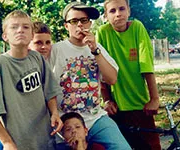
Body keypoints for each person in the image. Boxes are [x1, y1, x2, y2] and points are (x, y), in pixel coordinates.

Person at [49, 2, 131, 150]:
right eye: (74, 21)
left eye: (84, 20)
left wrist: (94, 49)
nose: (80, 25)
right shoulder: (56, 49)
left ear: (90, 23)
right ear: (66, 26)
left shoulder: (97, 48)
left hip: (95, 118)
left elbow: (112, 79)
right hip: (66, 121)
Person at [0, 10, 63, 150]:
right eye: (14, 27)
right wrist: (7, 142)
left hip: (44, 140)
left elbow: (50, 91)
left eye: (26, 27)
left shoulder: (37, 59)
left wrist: (54, 113)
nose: (20, 30)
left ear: (31, 34)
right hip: (16, 142)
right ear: (5, 36)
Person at [96, 0, 161, 149]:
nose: (118, 14)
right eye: (112, 11)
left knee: (151, 146)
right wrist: (106, 100)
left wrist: (154, 98)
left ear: (129, 11)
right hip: (117, 107)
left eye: (122, 9)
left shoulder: (137, 28)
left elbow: (147, 66)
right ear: (106, 15)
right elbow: (100, 70)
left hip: (141, 105)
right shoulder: (103, 32)